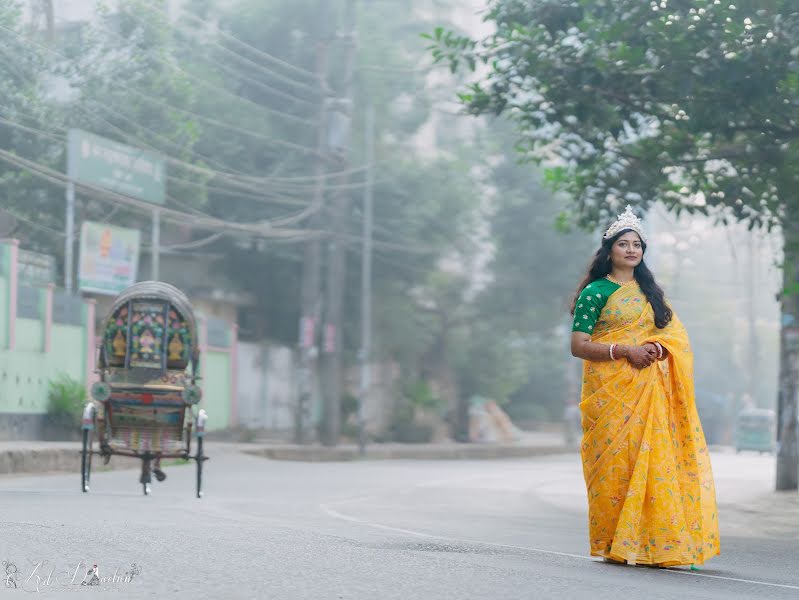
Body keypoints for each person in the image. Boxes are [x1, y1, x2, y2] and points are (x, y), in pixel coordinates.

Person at [569, 205, 719, 568]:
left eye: (637, 244)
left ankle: (657, 542)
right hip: (609, 391)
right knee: (616, 463)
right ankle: (612, 542)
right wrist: (624, 350)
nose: (631, 250)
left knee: (653, 460)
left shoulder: (651, 293)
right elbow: (578, 346)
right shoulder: (596, 292)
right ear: (610, 251)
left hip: (649, 390)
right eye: (624, 244)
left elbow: (674, 336)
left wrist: (656, 347)